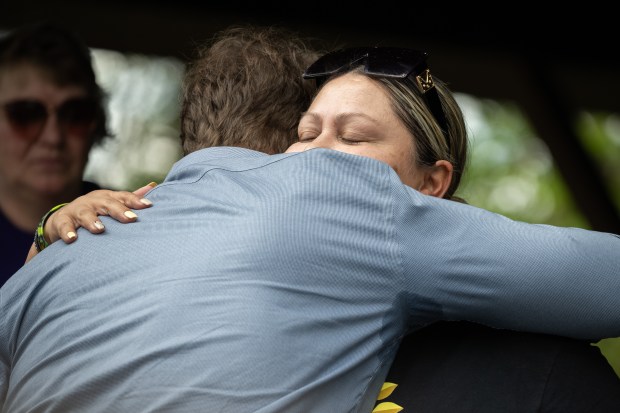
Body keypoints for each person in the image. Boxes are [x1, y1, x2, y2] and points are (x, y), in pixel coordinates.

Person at [3, 36, 620, 412]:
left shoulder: (530, 368)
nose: (319, 162)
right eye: (306, 135)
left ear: (435, 182)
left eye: (353, 138)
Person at [0, 22, 110, 285]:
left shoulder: (123, 224)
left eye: (75, 114)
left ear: (96, 123)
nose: (53, 137)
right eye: (26, 114)